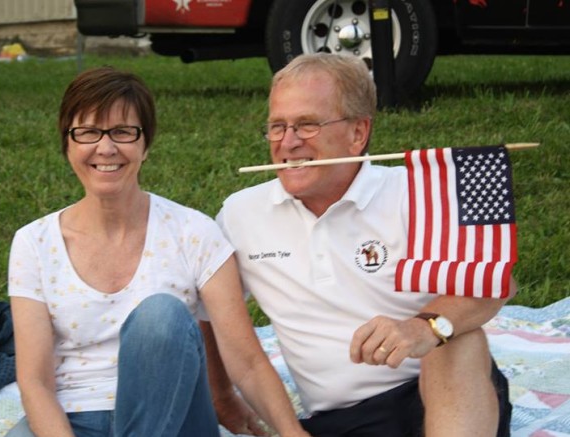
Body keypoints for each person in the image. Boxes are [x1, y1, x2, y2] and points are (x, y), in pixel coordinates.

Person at [216, 53, 513, 436]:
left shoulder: (417, 193)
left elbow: (496, 283)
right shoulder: (241, 214)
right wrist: (223, 393)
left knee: (460, 341)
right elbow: (212, 318)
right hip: (342, 420)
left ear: (358, 133)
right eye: (277, 126)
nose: (288, 142)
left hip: (443, 396)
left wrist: (423, 328)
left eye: (307, 125)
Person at [6, 66, 309, 437]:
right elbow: (35, 381)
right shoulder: (33, 243)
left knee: (161, 315)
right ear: (67, 143)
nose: (105, 148)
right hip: (72, 420)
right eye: (87, 132)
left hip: (178, 417)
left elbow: (245, 361)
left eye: (123, 131)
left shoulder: (194, 232)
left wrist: (294, 433)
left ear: (145, 144)